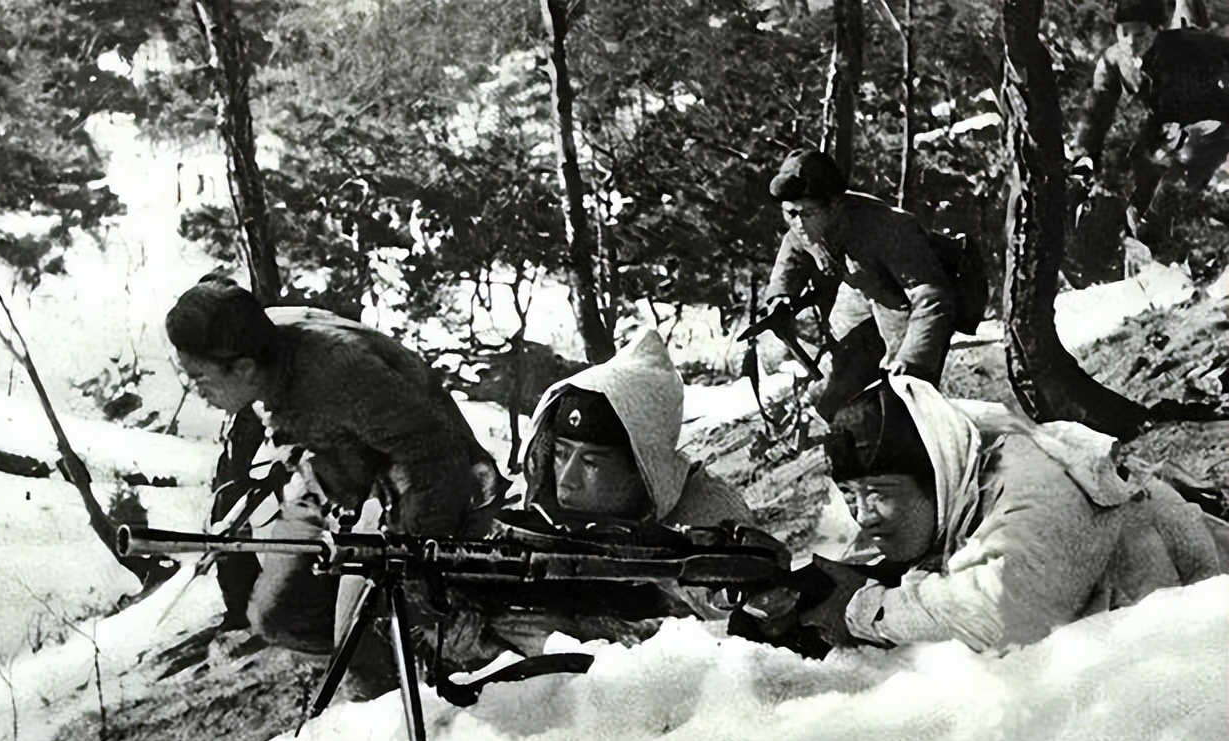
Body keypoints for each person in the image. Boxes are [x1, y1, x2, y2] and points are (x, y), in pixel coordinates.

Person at [165, 276, 511, 677]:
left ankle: (406, 667)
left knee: (361, 631)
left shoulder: (338, 372)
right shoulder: (257, 339)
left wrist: (412, 563)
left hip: (425, 487)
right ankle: (389, 653)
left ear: (243, 368)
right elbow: (299, 422)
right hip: (340, 478)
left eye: (201, 379)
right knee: (277, 614)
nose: (196, 391)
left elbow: (433, 453)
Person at [736, 376, 1228, 653]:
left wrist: (864, 609)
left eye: (878, 493)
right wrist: (787, 607)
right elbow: (891, 578)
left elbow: (1002, 615)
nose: (863, 517)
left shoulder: (1036, 482)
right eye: (850, 495)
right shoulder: (945, 494)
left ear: (936, 472)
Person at [479, 330, 756, 657]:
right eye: (561, 454)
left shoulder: (709, 518)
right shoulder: (534, 525)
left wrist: (581, 630)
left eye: (591, 462)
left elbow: (732, 651)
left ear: (643, 469)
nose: (567, 479)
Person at [748, 149, 978, 422]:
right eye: (790, 213)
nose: (797, 223)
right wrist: (779, 300)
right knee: (836, 387)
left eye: (806, 212)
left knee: (902, 392)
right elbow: (792, 257)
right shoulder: (805, 224)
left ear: (834, 205)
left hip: (909, 300)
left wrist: (911, 359)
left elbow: (931, 295)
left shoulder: (887, 229)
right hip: (865, 292)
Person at [1070, 0, 1229, 246]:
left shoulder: (1190, 45)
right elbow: (1096, 111)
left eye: (1140, 34)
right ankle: (1137, 235)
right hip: (1159, 127)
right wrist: (1084, 154)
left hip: (1209, 122)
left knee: (1185, 168)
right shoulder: (1114, 60)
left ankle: (1189, 229)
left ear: (1157, 31)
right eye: (1124, 33)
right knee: (1137, 173)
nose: (1131, 41)